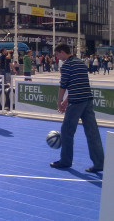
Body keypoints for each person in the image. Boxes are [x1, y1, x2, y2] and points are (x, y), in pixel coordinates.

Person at [51, 43, 104, 173]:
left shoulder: (67, 65)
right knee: (92, 133)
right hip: (87, 100)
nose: (58, 58)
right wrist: (65, 101)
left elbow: (63, 86)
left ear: (62, 52)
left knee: (67, 131)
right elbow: (79, 84)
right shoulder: (80, 63)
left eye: (57, 54)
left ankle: (65, 161)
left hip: (76, 102)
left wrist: (59, 102)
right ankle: (99, 163)